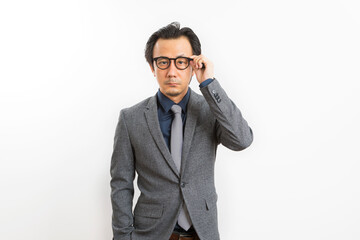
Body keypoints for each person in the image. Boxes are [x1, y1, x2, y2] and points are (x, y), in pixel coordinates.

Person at [110, 22, 253, 240]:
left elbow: (242, 140)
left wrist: (209, 83)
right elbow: (121, 184)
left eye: (181, 62)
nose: (172, 71)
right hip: (151, 234)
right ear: (152, 66)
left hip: (201, 233)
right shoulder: (131, 118)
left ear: (193, 64)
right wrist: (123, 237)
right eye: (163, 62)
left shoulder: (211, 110)